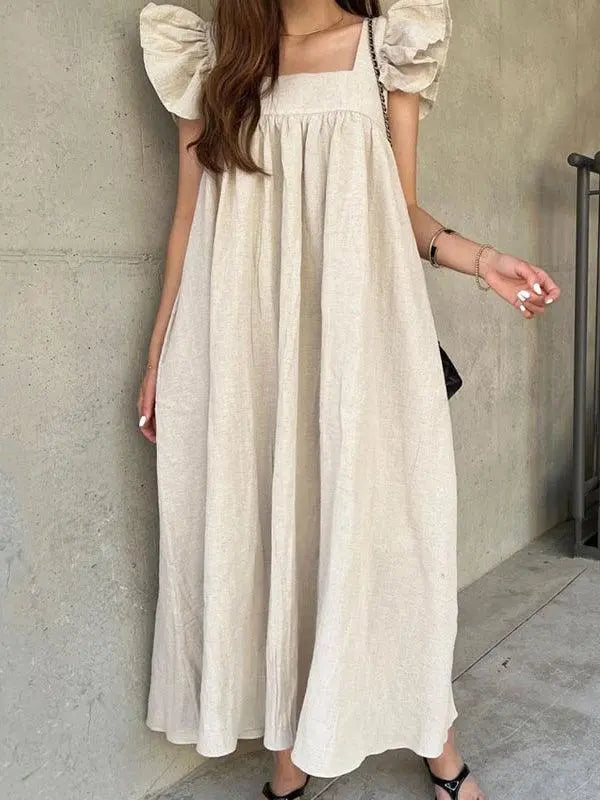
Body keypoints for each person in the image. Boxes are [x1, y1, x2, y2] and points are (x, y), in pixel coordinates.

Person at [137, 2, 561, 798]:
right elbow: (187, 218)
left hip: (361, 342)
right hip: (243, 344)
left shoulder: (384, 46)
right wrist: (160, 349)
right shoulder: (215, 61)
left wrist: (480, 259)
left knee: (389, 536)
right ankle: (290, 749)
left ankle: (435, 737)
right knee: (272, 534)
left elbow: (399, 209)